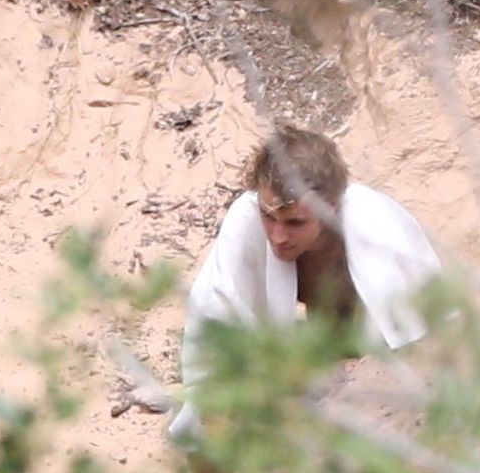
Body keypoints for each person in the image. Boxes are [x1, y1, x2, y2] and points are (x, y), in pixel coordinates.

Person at [168, 126, 442, 449]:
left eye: (295, 223)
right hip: (312, 361)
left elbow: (422, 341)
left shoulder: (377, 229)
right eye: (269, 217)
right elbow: (213, 319)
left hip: (380, 373)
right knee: (214, 411)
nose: (278, 236)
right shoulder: (248, 219)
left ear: (331, 207)